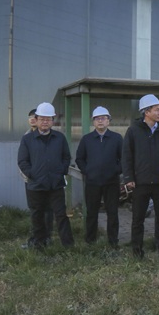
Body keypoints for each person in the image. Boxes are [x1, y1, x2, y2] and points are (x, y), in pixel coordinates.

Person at [122, 94, 159, 264]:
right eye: (157, 109)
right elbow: (127, 156)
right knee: (137, 219)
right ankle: (137, 253)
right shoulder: (133, 130)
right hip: (140, 182)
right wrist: (129, 178)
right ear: (146, 112)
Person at [17, 102, 75, 249]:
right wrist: (32, 174)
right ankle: (39, 244)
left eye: (48, 119)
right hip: (36, 185)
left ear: (52, 121)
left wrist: (61, 171)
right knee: (37, 215)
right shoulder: (28, 139)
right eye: (42, 119)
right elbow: (22, 161)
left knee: (61, 215)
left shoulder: (59, 138)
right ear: (36, 120)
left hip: (56, 184)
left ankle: (68, 245)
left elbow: (66, 157)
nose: (45, 122)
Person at [75, 106, 123, 247]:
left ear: (108, 121)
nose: (100, 121)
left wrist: (116, 170)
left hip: (111, 182)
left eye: (103, 118)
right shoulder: (87, 139)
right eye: (97, 119)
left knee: (112, 212)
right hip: (92, 182)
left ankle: (113, 241)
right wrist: (88, 171)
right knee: (92, 212)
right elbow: (79, 159)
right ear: (93, 122)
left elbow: (124, 159)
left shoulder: (117, 138)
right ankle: (90, 240)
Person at [20, 108, 54, 248]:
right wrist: (30, 174)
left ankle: (47, 236)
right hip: (31, 180)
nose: (33, 119)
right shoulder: (27, 136)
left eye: (36, 117)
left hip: (48, 180)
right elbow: (23, 160)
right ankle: (37, 237)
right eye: (31, 117)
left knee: (48, 208)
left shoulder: (51, 136)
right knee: (35, 209)